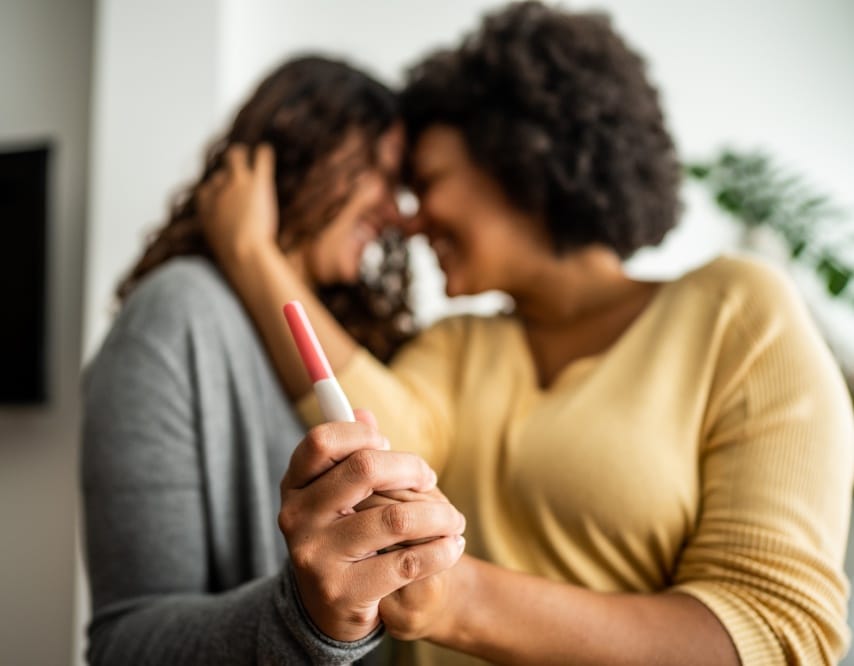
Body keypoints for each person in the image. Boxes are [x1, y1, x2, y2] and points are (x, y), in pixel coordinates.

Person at [199, 3, 854, 665]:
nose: (412, 221)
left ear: (517, 158)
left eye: (427, 184)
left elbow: (777, 637)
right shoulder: (458, 347)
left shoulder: (736, 314)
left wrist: (456, 600)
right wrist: (255, 257)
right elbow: (376, 435)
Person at [81, 55, 466, 665]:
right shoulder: (176, 317)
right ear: (304, 151)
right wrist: (309, 618)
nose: (394, 212)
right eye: (379, 172)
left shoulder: (355, 330)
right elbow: (124, 643)